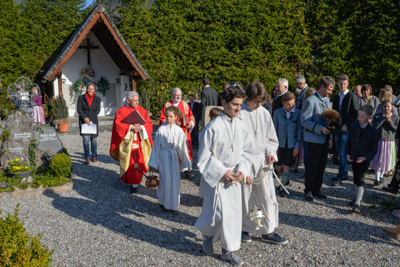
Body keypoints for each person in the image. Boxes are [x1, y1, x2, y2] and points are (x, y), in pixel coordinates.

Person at [195, 86, 251, 266]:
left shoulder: (242, 126)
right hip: (218, 177)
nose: (238, 109)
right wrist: (223, 172)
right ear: (224, 103)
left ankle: (228, 251)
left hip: (235, 176)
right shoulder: (213, 128)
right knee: (216, 214)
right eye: (235, 104)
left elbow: (245, 152)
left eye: (240, 105)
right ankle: (208, 234)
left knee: (233, 215)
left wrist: (242, 169)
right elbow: (204, 157)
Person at [238, 82, 288, 245]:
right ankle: (243, 228)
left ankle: (268, 230)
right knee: (245, 197)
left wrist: (271, 153)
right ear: (248, 97)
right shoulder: (239, 114)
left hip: (262, 161)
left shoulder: (265, 113)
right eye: (256, 101)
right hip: (244, 161)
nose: (259, 104)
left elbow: (271, 138)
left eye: (261, 101)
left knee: (266, 197)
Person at [148, 106, 191, 213]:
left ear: (176, 117)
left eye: (171, 116)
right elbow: (156, 147)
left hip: (173, 157)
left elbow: (182, 147)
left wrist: (185, 161)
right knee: (164, 180)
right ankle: (163, 203)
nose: (168, 118)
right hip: (163, 157)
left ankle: (173, 204)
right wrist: (153, 163)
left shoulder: (179, 130)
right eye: (167, 116)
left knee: (175, 180)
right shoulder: (161, 130)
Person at [110, 91, 153, 194]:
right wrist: (131, 127)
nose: (137, 103)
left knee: (139, 161)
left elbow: (149, 123)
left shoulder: (142, 110)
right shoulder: (121, 111)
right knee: (128, 162)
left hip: (140, 141)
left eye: (138, 100)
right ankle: (130, 182)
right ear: (128, 100)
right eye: (135, 101)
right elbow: (117, 126)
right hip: (127, 142)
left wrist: (141, 127)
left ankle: (136, 182)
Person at [300, 76, 334, 201]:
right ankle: (308, 190)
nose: (331, 92)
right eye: (329, 89)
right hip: (313, 139)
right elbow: (304, 121)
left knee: (321, 166)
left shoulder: (327, 100)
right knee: (312, 166)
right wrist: (319, 129)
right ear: (322, 87)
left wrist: (330, 137)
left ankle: (317, 189)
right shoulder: (310, 100)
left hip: (324, 139)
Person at [346, 104, 379, 213]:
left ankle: (357, 203)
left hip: (364, 159)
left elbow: (374, 149)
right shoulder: (354, 127)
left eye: (362, 116)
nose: (359, 118)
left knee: (360, 179)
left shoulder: (373, 131)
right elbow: (349, 142)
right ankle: (356, 198)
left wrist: (365, 157)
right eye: (359, 115)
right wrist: (348, 153)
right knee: (355, 178)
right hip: (354, 157)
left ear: (369, 117)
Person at [330, 74, 359, 186]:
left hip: (347, 128)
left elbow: (355, 113)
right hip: (337, 128)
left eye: (344, 83)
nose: (342, 85)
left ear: (347, 84)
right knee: (339, 151)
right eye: (341, 83)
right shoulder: (336, 97)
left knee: (342, 152)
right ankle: (344, 172)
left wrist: (347, 124)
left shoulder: (352, 96)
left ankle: (341, 175)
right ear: (338, 84)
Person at [273, 92, 302, 197]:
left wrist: (297, 146)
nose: (291, 106)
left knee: (286, 165)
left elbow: (299, 130)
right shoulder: (277, 112)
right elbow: (274, 129)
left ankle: (282, 186)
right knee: (277, 165)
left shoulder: (298, 113)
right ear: (283, 103)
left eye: (292, 104)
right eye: (288, 104)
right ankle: (285, 179)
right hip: (279, 144)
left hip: (291, 144)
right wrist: (273, 145)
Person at [159, 87, 195, 162]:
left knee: (185, 150)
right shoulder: (167, 105)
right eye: (176, 95)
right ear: (172, 95)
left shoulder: (185, 105)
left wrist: (191, 124)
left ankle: (186, 169)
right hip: (171, 132)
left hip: (184, 132)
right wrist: (173, 122)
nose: (178, 97)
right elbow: (162, 119)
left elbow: (191, 116)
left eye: (180, 95)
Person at [370, 100, 399, 185]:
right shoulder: (377, 116)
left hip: (389, 142)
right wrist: (383, 119)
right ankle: (377, 178)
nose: (386, 108)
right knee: (377, 159)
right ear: (382, 107)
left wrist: (390, 122)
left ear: (392, 107)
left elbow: (396, 129)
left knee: (385, 160)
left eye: (388, 107)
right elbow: (375, 127)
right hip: (379, 141)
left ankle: (381, 176)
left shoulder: (396, 117)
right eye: (384, 106)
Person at [77, 83, 101, 164]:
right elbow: (79, 109)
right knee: (86, 140)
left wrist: (89, 119)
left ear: (94, 90)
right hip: (83, 121)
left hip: (93, 121)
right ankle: (87, 157)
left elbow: (97, 110)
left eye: (92, 89)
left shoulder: (97, 99)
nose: (90, 90)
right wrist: (85, 118)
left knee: (94, 140)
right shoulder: (81, 98)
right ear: (87, 89)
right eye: (89, 89)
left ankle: (94, 156)